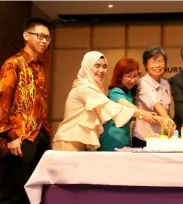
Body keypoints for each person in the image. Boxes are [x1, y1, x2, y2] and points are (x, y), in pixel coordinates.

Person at [0, 18, 52, 204]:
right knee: (14, 192)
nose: (44, 41)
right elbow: (2, 101)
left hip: (40, 134)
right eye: (39, 36)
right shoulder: (13, 64)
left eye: (47, 37)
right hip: (19, 137)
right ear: (26, 36)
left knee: (37, 191)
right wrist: (10, 135)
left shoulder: (39, 67)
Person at [52, 51, 137, 151]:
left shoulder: (95, 88)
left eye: (104, 67)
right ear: (87, 66)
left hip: (79, 142)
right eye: (97, 66)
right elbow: (111, 107)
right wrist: (143, 115)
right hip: (68, 140)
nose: (101, 70)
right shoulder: (84, 87)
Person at [98, 57, 159, 151]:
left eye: (135, 76)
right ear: (119, 77)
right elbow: (131, 109)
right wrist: (146, 115)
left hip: (125, 139)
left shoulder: (130, 91)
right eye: (128, 76)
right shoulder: (115, 92)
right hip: (111, 139)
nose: (132, 80)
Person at [133, 47, 175, 147]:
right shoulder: (142, 82)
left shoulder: (166, 84)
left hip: (162, 138)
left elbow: (167, 109)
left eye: (161, 61)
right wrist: (166, 118)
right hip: (143, 137)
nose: (157, 65)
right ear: (145, 65)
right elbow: (155, 103)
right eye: (153, 62)